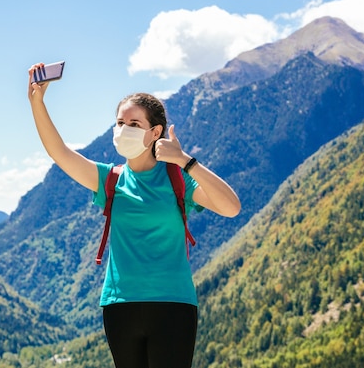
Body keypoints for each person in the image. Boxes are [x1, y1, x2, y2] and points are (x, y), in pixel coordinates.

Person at [27, 63, 241, 368]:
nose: (124, 129)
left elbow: (231, 207)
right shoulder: (110, 180)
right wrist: (37, 102)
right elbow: (59, 153)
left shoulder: (178, 180)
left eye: (134, 124)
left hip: (174, 305)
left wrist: (184, 160)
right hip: (120, 306)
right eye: (120, 122)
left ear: (155, 132)